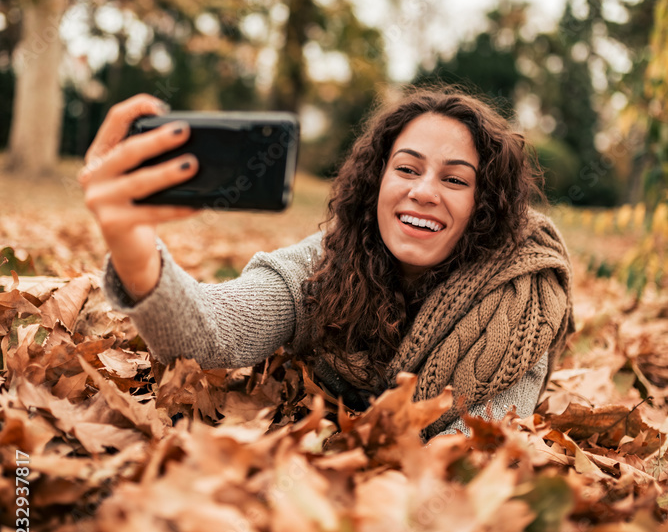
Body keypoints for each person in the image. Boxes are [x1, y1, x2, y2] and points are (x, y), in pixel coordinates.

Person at [80, 86, 575, 440]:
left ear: (484, 206)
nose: (422, 192)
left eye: (454, 180)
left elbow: (477, 453)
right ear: (376, 182)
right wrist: (130, 240)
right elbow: (209, 333)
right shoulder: (329, 262)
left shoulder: (524, 301)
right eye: (406, 169)